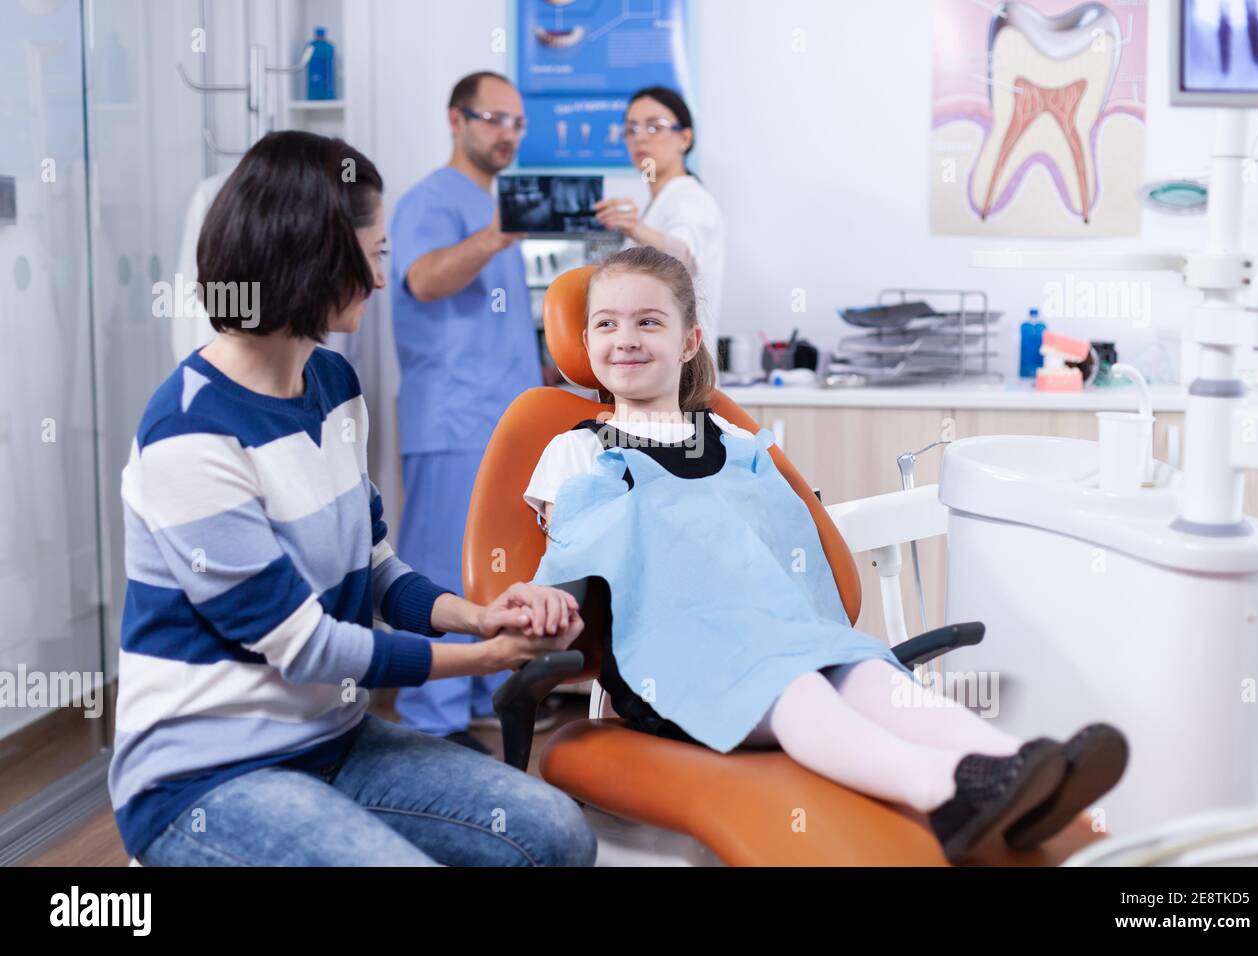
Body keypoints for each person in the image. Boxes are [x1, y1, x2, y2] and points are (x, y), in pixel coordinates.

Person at [522, 246, 1128, 864]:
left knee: (868, 673)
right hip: (670, 665)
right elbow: (571, 560)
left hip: (773, 636)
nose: (626, 338)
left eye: (649, 321)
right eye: (606, 323)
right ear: (586, 340)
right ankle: (947, 794)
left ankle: (1021, 772)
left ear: (688, 342)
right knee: (802, 690)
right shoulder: (576, 452)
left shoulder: (737, 444)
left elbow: (777, 553)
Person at [109, 130, 596, 867]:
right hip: (203, 779)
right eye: (371, 255)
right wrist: (485, 657)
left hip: (332, 741)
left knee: (555, 836)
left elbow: (374, 569)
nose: (377, 280)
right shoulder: (190, 433)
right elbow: (308, 648)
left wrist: (478, 616)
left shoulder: (332, 386)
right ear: (310, 260)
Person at [389, 71, 559, 749]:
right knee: (437, 564)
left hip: (503, 420)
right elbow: (425, 280)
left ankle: (494, 690)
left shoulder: (494, 209)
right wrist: (496, 235)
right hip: (452, 416)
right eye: (493, 119)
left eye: (517, 123)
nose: (507, 134)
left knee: (501, 563)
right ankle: (432, 719)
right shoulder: (429, 202)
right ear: (455, 119)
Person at [595, 86, 725, 357]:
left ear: (685, 138)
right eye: (631, 129)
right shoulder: (657, 204)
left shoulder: (688, 198)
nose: (640, 138)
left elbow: (683, 255)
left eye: (654, 127)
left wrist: (634, 228)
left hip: (681, 369)